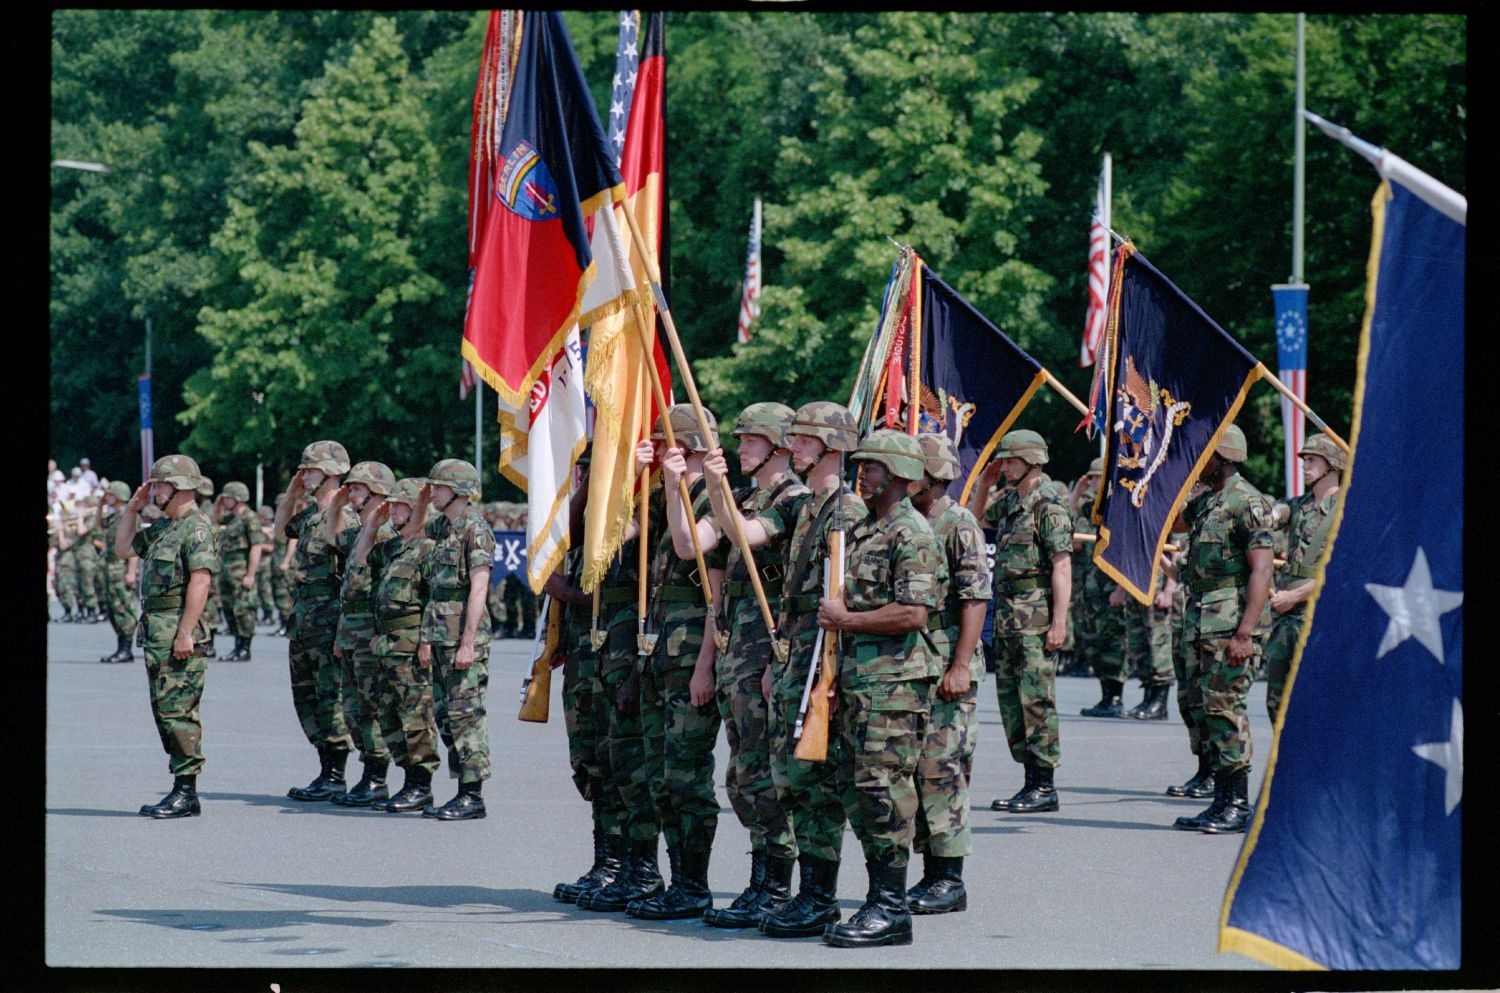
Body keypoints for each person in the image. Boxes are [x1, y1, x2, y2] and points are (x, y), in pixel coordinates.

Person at [816, 429, 944, 947]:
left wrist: (846, 620)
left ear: (893, 475)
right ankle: (879, 900)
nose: (861, 474)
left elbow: (914, 613)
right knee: (861, 792)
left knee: (884, 793)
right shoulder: (868, 527)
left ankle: (890, 909)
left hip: (894, 686)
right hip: (862, 683)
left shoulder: (910, 534)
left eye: (869, 467)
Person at [693, 402, 806, 929]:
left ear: (778, 448)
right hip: (735, 647)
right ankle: (762, 875)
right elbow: (696, 546)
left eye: (749, 441)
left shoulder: (794, 499)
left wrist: (716, 488)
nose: (740, 449)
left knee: (763, 771)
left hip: (766, 649)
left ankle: (777, 881)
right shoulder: (742, 494)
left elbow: (746, 535)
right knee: (741, 773)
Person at [757, 401, 865, 940]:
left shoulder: (845, 511)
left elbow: (841, 600)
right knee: (791, 775)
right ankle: (808, 893)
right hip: (796, 650)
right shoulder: (811, 507)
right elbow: (791, 588)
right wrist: (780, 651)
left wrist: (832, 674)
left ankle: (820, 897)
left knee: (814, 777)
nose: (794, 446)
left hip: (822, 653)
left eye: (804, 439)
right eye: (794, 438)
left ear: (833, 448)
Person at [627, 405, 728, 920]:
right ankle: (675, 879)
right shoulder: (668, 497)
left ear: (682, 446)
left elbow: (714, 588)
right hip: (660, 656)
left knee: (687, 776)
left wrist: (704, 666)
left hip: (691, 657)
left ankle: (694, 884)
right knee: (662, 775)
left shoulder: (712, 497)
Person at [1169, 424, 1274, 834]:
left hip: (1231, 624)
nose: (1198, 461)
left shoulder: (1247, 502)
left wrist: (1246, 633)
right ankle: (1220, 801)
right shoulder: (1210, 500)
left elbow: (1262, 568)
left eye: (1204, 454)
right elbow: (1173, 523)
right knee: (1208, 711)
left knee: (1226, 711)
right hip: (1202, 622)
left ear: (1224, 457)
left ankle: (1238, 804)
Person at [578, 435, 667, 911]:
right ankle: (613, 865)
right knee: (604, 765)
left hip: (639, 652)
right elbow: (582, 535)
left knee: (636, 770)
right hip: (604, 652)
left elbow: (623, 541)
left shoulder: (658, 507)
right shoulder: (612, 502)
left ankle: (641, 870)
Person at [906, 432, 989, 915]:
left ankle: (948, 880)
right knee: (915, 771)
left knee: (944, 770)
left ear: (932, 477)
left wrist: (960, 665)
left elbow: (975, 598)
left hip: (946, 662)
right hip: (912, 663)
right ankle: (928, 873)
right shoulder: (908, 520)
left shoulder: (957, 523)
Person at [972, 429, 1072, 814]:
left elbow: (1062, 567)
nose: (1006, 466)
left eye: (1011, 460)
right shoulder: (1013, 500)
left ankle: (1043, 785)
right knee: (1012, 702)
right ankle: (1030, 781)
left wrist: (1058, 622)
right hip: (1009, 616)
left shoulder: (1048, 505)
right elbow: (977, 519)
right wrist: (985, 481)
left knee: (1036, 702)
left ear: (1032, 461)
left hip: (1036, 617)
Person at [114, 455, 219, 818]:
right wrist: (131, 511)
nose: (154, 490)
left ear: (179, 487)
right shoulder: (165, 528)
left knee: (178, 711)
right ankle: (182, 787)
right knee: (164, 710)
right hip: (157, 629)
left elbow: (201, 581)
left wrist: (186, 631)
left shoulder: (197, 528)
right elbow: (123, 549)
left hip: (178, 629)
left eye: (160, 485)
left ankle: (186, 791)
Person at [548, 452, 628, 901]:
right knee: (589, 761)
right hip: (583, 653)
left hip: (614, 654)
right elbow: (565, 535)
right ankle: (605, 861)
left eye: (592, 466)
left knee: (616, 763)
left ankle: (622, 866)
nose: (584, 475)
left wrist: (568, 594)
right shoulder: (588, 505)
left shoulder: (621, 512)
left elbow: (614, 594)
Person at [274, 441, 358, 801]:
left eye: (310, 469)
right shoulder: (309, 515)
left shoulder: (347, 517)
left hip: (330, 616)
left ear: (331, 472)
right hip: (305, 615)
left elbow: (353, 573)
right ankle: (326, 768)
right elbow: (280, 531)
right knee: (305, 695)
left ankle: (336, 773)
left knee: (330, 696)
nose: (303, 474)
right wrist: (293, 492)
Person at [415, 459, 495, 820]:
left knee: (465, 717)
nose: (432, 492)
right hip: (439, 634)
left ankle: (471, 794)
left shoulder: (474, 530)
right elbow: (413, 532)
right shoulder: (443, 525)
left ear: (459, 491)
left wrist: (467, 643)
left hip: (464, 637)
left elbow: (478, 589)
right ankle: (462, 786)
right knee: (446, 717)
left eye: (438, 487)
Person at [360, 477, 442, 813]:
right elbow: (362, 559)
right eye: (391, 505)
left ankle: (420, 784)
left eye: (400, 505)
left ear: (416, 509)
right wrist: (371, 526)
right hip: (387, 643)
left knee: (416, 714)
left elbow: (433, 599)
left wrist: (425, 641)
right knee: (389, 714)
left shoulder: (427, 549)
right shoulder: (394, 548)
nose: (393, 510)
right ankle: (408, 778)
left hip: (411, 642)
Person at [326, 461, 397, 806]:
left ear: (376, 492)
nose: (350, 493)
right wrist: (338, 505)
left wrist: (379, 634)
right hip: (350, 629)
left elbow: (385, 592)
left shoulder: (385, 535)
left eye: (356, 488)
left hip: (370, 629)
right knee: (353, 707)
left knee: (371, 705)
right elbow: (331, 539)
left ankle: (376, 777)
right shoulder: (359, 532)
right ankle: (368, 774)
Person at [1264, 432, 1344, 721]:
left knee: (1319, 701)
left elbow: (1340, 571)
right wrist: (1267, 515)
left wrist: (1295, 596)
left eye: (1312, 460)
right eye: (1304, 459)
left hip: (1320, 615)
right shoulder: (1297, 506)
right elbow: (1274, 515)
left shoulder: (1348, 511)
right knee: (1277, 701)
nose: (1304, 465)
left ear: (1333, 465)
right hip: (1286, 616)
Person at [1073, 459, 1128, 715]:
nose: (1094, 482)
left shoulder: (1120, 508)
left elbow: (1128, 551)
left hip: (1109, 588)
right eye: (1092, 478)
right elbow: (1067, 520)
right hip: (1090, 590)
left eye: (1097, 478)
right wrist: (1077, 492)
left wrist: (1121, 588)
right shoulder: (1092, 507)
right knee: (1094, 644)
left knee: (1113, 643)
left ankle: (1116, 697)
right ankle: (1106, 696)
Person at [215, 482, 262, 662]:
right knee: (229, 609)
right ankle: (236, 646)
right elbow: (215, 520)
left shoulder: (249, 518)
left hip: (241, 571)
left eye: (228, 498)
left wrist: (250, 574)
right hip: (226, 571)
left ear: (238, 498)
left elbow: (256, 546)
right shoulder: (232, 518)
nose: (224, 500)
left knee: (243, 610)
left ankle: (245, 648)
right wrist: (218, 505)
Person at [98, 481, 141, 663]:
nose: (107, 497)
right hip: (110, 568)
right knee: (112, 608)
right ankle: (120, 648)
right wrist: (99, 506)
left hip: (121, 567)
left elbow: (134, 545)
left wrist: (131, 571)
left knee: (124, 608)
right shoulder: (114, 515)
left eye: (110, 494)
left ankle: (126, 649)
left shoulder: (128, 516)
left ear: (119, 495)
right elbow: (98, 526)